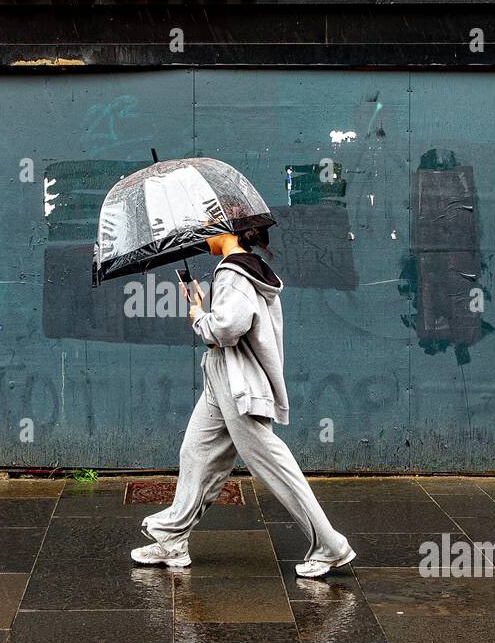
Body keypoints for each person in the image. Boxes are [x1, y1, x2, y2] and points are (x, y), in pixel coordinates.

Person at [130, 226, 356, 578]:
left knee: (272, 463)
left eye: (205, 230)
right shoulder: (243, 269)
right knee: (196, 452)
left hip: (236, 381)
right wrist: (200, 302)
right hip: (221, 377)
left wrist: (196, 314)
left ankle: (330, 544)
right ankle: (172, 539)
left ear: (224, 231)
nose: (200, 237)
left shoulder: (233, 272)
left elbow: (225, 330)